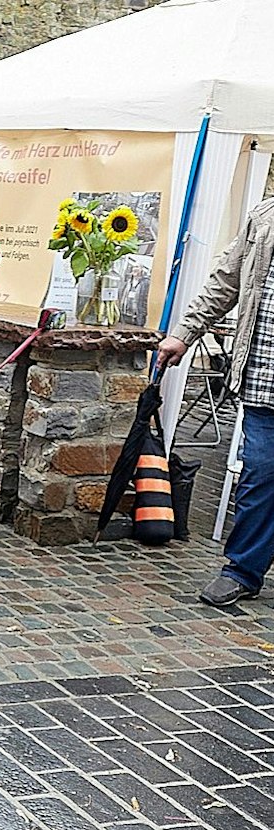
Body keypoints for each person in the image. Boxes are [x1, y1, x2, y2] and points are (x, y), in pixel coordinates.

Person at [154, 193, 274, 608]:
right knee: (258, 475)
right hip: (265, 379)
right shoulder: (264, 216)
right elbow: (226, 280)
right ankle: (242, 569)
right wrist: (184, 333)